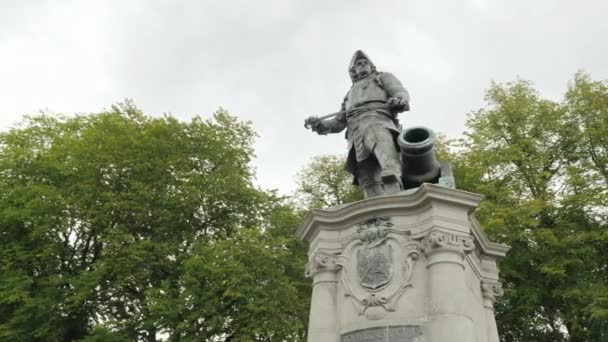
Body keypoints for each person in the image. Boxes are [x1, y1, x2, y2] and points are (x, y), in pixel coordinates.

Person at [306, 50, 410, 198]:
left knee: (384, 152)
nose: (362, 65)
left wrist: (399, 100)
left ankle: (394, 182)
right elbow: (338, 122)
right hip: (355, 133)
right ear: (353, 71)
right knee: (365, 175)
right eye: (358, 64)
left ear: (371, 66)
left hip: (377, 119)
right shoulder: (349, 95)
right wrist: (319, 124)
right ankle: (375, 209)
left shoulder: (382, 77)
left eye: (365, 62)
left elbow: (399, 91)